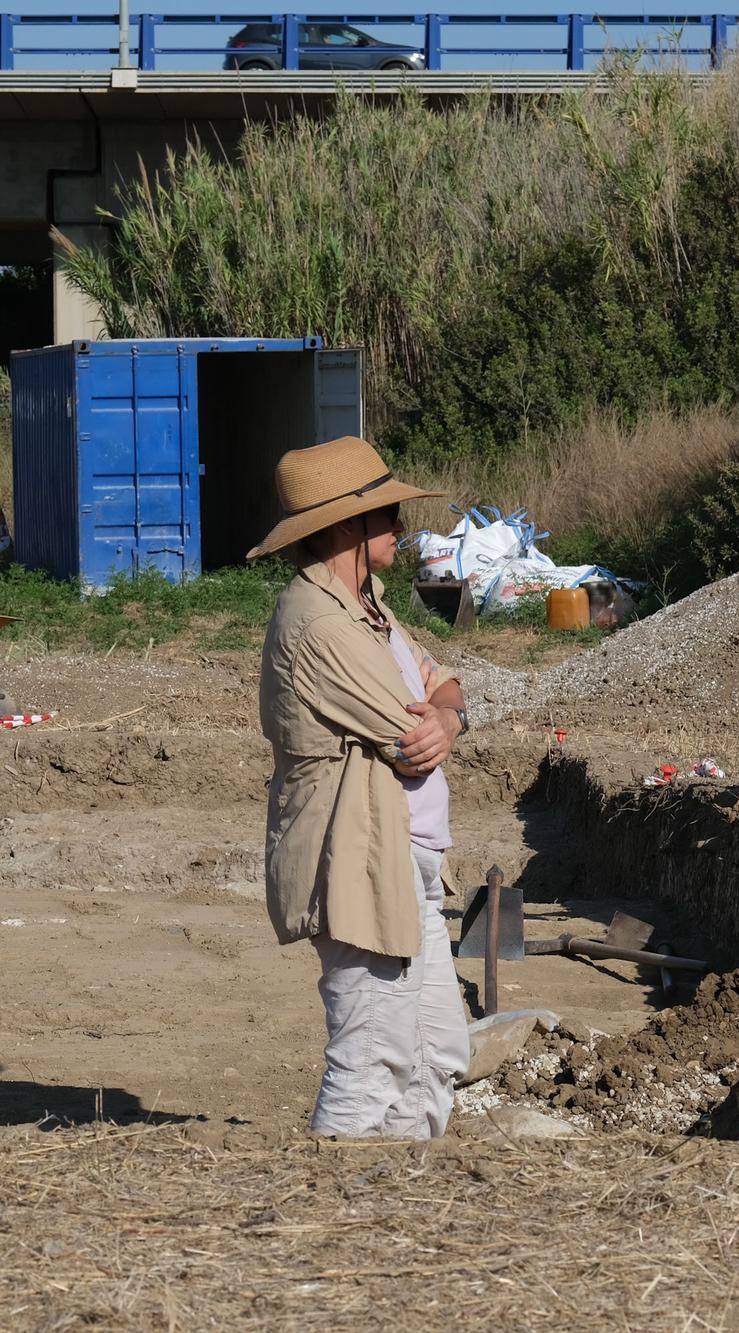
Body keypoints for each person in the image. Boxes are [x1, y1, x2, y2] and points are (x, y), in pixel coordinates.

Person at [250, 436, 471, 1138]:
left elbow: (442, 686)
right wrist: (441, 717)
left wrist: (451, 717)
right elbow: (410, 734)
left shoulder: (367, 602)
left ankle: (390, 1222)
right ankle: (332, 1221)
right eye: (385, 514)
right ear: (344, 527)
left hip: (405, 864)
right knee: (373, 1059)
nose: (399, 528)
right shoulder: (316, 623)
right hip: (360, 863)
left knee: (434, 1053)